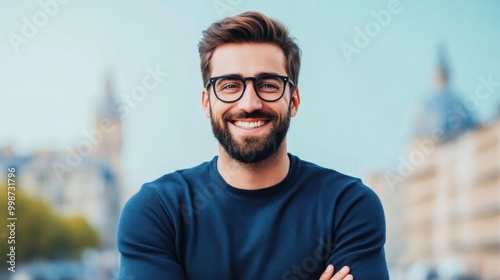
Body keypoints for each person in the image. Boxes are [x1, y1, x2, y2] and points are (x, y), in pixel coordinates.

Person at [117, 11, 389, 280]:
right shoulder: (156, 211)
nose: (249, 104)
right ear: (206, 102)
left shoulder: (347, 206)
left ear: (293, 101)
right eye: (230, 85)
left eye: (269, 85)